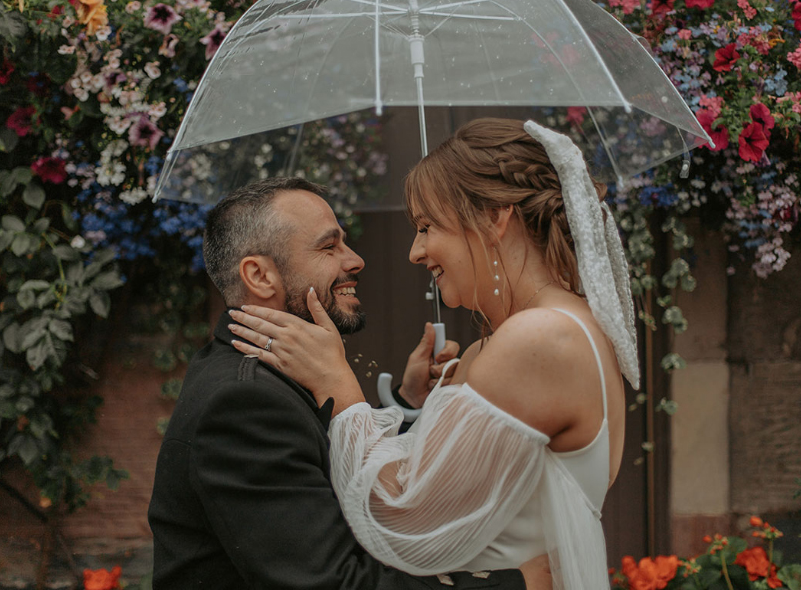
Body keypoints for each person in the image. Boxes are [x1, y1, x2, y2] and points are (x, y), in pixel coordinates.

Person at [229, 119, 641, 590]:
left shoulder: (540, 337)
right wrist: (421, 404)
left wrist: (338, 386)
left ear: (493, 219)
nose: (415, 251)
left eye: (427, 227)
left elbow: (405, 519)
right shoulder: (559, 325)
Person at [147, 176, 550, 590]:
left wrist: (409, 402)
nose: (355, 260)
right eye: (329, 246)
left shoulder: (266, 377)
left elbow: (323, 464)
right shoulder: (242, 402)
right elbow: (335, 582)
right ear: (260, 276)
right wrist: (515, 585)